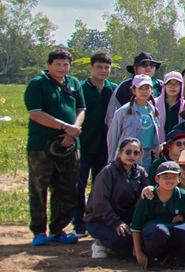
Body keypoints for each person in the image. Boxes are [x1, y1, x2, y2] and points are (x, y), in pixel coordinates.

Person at [24, 47, 84, 246]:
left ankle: (58, 230)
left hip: (69, 145)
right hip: (41, 145)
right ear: (49, 65)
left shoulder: (73, 83)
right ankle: (39, 231)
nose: (61, 68)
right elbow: (35, 113)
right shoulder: (38, 84)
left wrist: (73, 130)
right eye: (57, 64)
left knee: (67, 187)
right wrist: (64, 127)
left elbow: (81, 109)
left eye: (65, 64)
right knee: (39, 187)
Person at [86, 138, 151, 259]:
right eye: (128, 152)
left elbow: (146, 193)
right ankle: (100, 241)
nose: (132, 155)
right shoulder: (108, 172)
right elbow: (100, 204)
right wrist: (116, 223)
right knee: (124, 239)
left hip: (125, 216)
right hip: (100, 220)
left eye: (136, 153)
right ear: (120, 153)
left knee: (143, 237)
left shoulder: (140, 172)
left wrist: (148, 189)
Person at [130, 160, 185, 270]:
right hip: (154, 232)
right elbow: (136, 227)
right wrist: (139, 252)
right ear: (157, 179)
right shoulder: (147, 197)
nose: (170, 180)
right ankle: (154, 257)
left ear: (179, 179)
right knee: (159, 231)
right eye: (165, 177)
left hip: (174, 229)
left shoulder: (183, 196)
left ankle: (178, 257)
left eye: (173, 177)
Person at [73, 50, 115, 238]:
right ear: (91, 68)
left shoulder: (113, 90)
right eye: (99, 67)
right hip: (83, 144)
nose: (103, 71)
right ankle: (78, 222)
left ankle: (95, 218)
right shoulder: (80, 89)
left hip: (104, 146)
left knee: (100, 186)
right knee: (79, 185)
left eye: (107, 67)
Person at [106, 74, 162, 171]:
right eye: (140, 88)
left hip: (146, 156)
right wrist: (112, 160)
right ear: (134, 90)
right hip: (128, 155)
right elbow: (113, 137)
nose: (144, 91)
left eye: (147, 88)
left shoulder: (153, 110)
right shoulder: (123, 111)